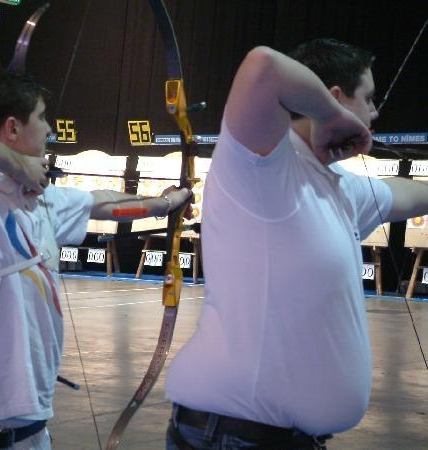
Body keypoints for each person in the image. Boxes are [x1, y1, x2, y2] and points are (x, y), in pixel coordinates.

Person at [164, 38, 428, 450]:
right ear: (336, 97)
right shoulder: (263, 165)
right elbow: (263, 65)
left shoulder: (338, 188)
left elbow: (409, 195)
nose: (375, 112)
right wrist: (331, 115)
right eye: (369, 98)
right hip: (233, 436)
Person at [0, 66, 191, 450]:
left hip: (31, 428)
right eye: (42, 118)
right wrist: (21, 166)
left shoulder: (39, 201)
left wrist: (166, 203)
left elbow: (105, 204)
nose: (50, 130)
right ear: (12, 129)